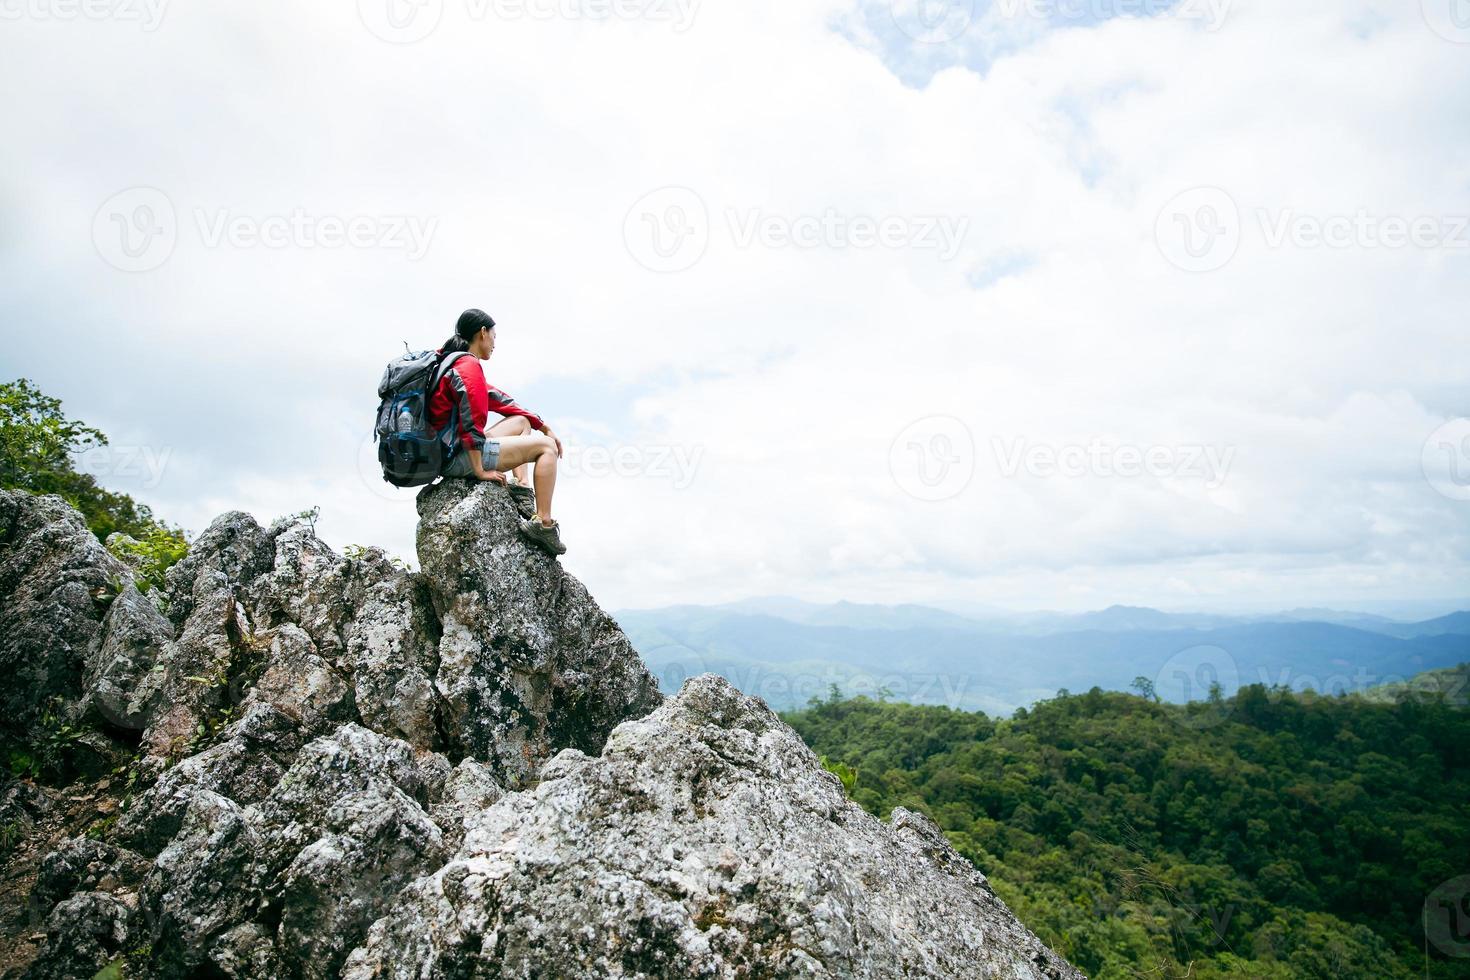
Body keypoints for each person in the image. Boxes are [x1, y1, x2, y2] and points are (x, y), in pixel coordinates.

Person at [428, 309, 566, 556]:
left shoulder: (452, 362)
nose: (494, 343)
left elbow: (498, 399)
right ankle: (544, 524)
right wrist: (481, 470)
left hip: (448, 450)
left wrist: (541, 425)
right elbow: (471, 422)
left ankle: (522, 487)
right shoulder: (468, 365)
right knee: (547, 447)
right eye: (493, 336)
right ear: (482, 333)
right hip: (458, 458)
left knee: (521, 422)